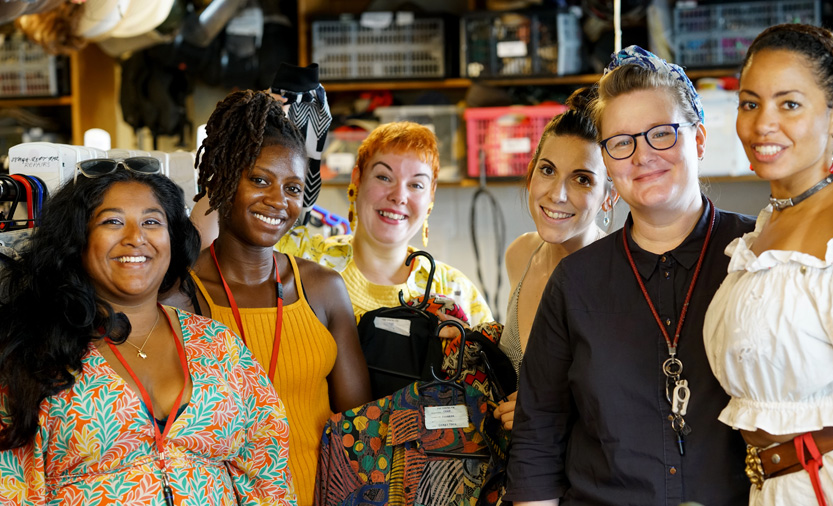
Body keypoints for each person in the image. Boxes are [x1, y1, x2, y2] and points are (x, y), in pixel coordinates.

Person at [503, 46, 833, 506]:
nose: (642, 155)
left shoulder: (762, 254)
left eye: (661, 134)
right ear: (608, 161)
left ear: (700, 140)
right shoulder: (574, 283)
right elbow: (537, 440)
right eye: (621, 142)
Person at [0, 163, 295, 503]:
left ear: (173, 239)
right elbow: (11, 486)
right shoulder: (32, 351)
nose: (135, 238)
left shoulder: (219, 345)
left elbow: (267, 473)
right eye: (112, 221)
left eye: (152, 222)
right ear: (77, 238)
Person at [703, 24, 833, 506]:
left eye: (789, 104)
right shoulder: (769, 223)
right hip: (777, 486)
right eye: (750, 104)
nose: (762, 124)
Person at [165, 89, 371, 505]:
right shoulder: (180, 297)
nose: (278, 201)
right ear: (221, 178)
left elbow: (359, 424)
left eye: (293, 188)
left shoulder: (322, 288)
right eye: (259, 180)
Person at [276, 121, 493, 326]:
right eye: (384, 177)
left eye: (416, 185)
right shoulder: (302, 260)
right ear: (357, 180)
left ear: (431, 196)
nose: (399, 196)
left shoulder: (455, 291)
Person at [494, 87, 618, 430]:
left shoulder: (619, 277)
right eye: (547, 170)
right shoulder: (520, 254)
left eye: (582, 179)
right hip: (512, 474)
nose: (557, 194)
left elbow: (630, 406)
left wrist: (547, 410)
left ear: (609, 196)